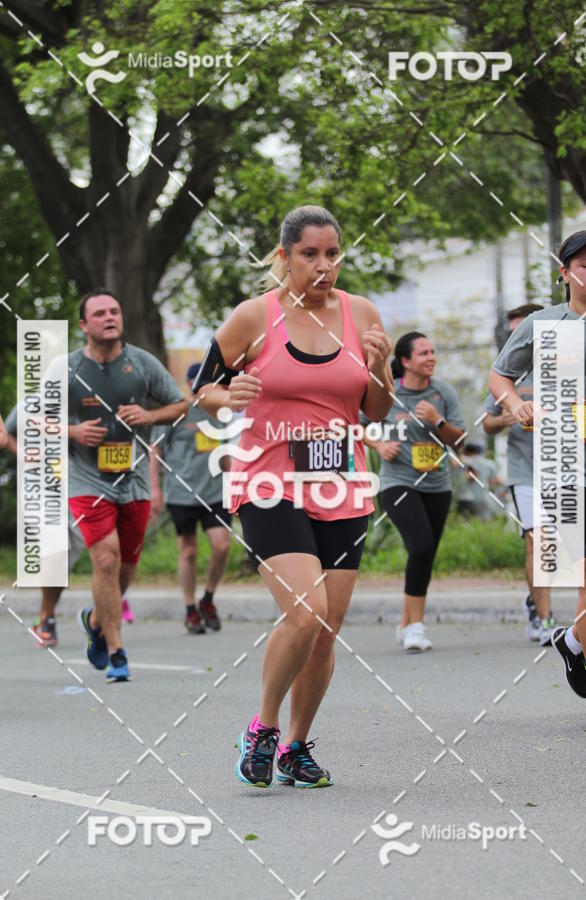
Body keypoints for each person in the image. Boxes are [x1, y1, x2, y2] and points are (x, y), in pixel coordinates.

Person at [195, 205, 393, 787]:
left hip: (343, 483)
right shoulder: (253, 317)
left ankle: (297, 749)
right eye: (310, 255)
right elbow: (201, 388)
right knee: (304, 614)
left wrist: (380, 369)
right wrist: (226, 397)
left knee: (326, 627)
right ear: (284, 257)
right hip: (268, 482)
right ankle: (262, 729)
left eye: (332, 254)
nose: (323, 266)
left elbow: (374, 411)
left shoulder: (361, 314)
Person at [489, 230, 586, 726]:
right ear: (565, 273)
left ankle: (573, 641)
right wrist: (517, 405)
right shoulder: (544, 323)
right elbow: (499, 376)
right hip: (566, 466)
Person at [69, 289, 187, 682]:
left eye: (114, 311)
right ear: (84, 325)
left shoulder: (141, 362)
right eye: (99, 313)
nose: (109, 317)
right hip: (86, 480)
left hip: (133, 480)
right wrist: (73, 430)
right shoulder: (66, 369)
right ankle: (117, 651)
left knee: (125, 570)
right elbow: (34, 418)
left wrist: (148, 414)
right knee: (105, 558)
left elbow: (180, 405)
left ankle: (97, 621)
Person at [363, 332, 466, 652]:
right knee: (420, 546)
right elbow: (356, 423)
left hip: (437, 485)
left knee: (424, 554)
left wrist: (438, 422)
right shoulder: (388, 392)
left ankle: (407, 623)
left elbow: (459, 440)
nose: (431, 357)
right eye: (423, 353)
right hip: (398, 483)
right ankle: (417, 627)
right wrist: (379, 444)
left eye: (433, 351)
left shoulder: (443, 392)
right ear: (406, 361)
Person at [483, 303, 553, 643]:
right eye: (513, 334)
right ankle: (545, 619)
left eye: (523, 331)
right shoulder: (507, 374)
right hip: (526, 473)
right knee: (537, 544)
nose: (519, 338)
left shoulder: (571, 364)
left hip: (571, 468)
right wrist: (506, 417)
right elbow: (486, 424)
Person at [150, 362, 231, 634]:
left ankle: (207, 599)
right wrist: (155, 489)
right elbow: (155, 451)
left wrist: (236, 483)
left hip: (215, 491)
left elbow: (225, 452)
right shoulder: (178, 411)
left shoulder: (220, 412)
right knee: (189, 550)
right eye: (200, 384)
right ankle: (189, 609)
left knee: (221, 545)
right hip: (181, 492)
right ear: (189, 385)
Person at [3, 405, 86, 646]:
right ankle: (47, 618)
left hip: (75, 486)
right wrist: (23, 453)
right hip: (39, 487)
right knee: (56, 548)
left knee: (68, 554)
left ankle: (45, 612)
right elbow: (6, 434)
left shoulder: (82, 397)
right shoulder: (30, 402)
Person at [455, 441, 501, 520]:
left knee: (464, 523)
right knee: (483, 524)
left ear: (466, 451)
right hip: (483, 498)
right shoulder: (489, 463)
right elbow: (498, 481)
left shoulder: (462, 460)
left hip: (463, 498)